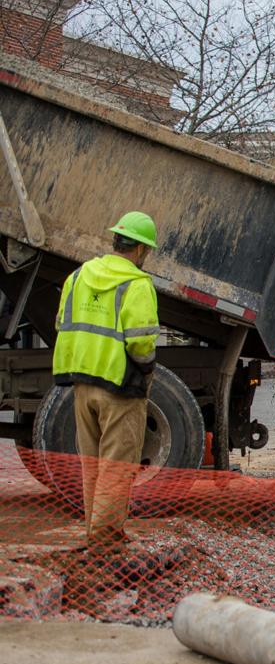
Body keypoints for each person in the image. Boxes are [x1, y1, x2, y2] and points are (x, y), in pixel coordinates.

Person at [53, 211, 160, 554]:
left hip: (83, 383)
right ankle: (105, 544)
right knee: (116, 468)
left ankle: (94, 532)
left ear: (115, 240)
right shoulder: (137, 284)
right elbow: (141, 342)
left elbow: (62, 323)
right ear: (142, 250)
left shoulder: (79, 275)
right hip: (120, 388)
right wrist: (146, 369)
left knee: (93, 466)